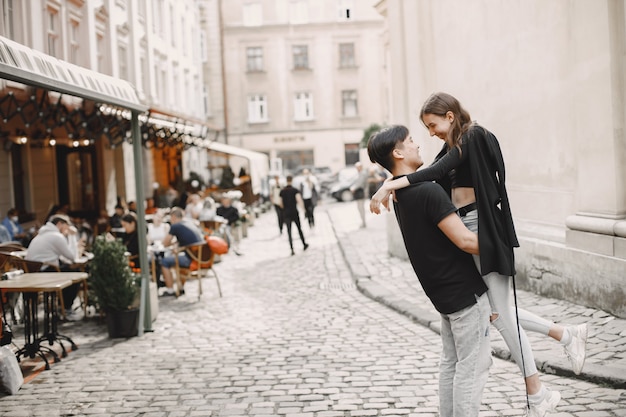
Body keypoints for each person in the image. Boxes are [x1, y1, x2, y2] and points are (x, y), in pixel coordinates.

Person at [370, 93, 580, 415]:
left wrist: (392, 184)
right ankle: (563, 340)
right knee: (494, 311)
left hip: (479, 223)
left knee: (498, 313)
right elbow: (434, 174)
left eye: (432, 125)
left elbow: (434, 173)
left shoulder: (473, 136)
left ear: (450, 116)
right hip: (468, 225)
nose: (430, 134)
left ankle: (538, 389)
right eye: (421, 132)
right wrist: (392, 182)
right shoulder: (450, 150)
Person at [367, 125, 491, 416]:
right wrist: (502, 244)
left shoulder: (399, 194)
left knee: (451, 365)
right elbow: (465, 240)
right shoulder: (427, 191)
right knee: (473, 369)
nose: (417, 145)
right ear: (398, 152)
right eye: (410, 141)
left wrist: (387, 184)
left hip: (443, 296)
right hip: (465, 293)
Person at [25, 214, 85, 319]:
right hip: (47, 272)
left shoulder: (42, 234)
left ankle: (61, 306)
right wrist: (72, 236)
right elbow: (72, 257)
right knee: (76, 274)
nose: (67, 229)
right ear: (59, 224)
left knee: (69, 270)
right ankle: (65, 307)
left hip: (35, 272)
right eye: (66, 226)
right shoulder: (56, 236)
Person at [159, 207, 204, 296]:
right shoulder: (189, 222)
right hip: (201, 257)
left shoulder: (175, 226)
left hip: (192, 259)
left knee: (164, 261)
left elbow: (164, 243)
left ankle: (170, 290)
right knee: (176, 258)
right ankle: (180, 288)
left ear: (174, 217)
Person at [279, 175, 309, 256]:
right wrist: (304, 210)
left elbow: (281, 204)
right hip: (294, 212)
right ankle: (304, 244)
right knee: (299, 229)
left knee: (289, 231)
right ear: (291, 180)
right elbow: (299, 201)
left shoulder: (282, 191)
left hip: (286, 213)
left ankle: (292, 249)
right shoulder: (295, 190)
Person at [349, 162, 369, 228]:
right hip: (360, 193)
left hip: (361, 192)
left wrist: (353, 188)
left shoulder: (362, 173)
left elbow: (359, 183)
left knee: (361, 208)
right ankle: (363, 222)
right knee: (360, 208)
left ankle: (363, 223)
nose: (357, 169)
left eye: (357, 167)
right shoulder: (360, 173)